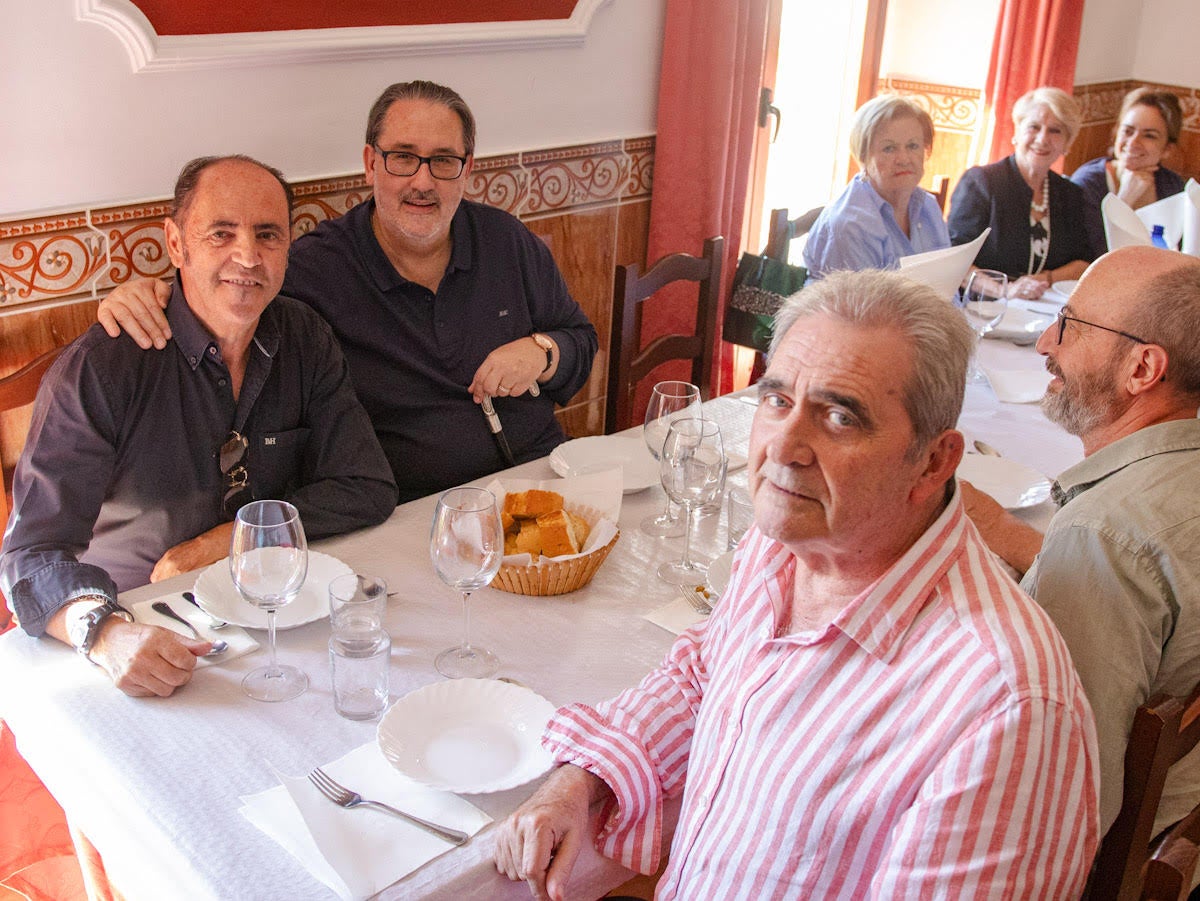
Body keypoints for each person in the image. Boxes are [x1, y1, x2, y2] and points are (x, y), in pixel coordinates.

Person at [494, 270, 1099, 899]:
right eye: (778, 400)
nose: (783, 448)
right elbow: (706, 674)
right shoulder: (787, 542)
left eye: (840, 417)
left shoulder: (1005, 707)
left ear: (934, 461)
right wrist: (583, 779)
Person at [0, 155, 398, 697]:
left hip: (271, 614)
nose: (248, 257)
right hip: (136, 625)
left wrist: (231, 541)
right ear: (175, 243)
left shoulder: (305, 337)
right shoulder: (105, 366)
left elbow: (366, 486)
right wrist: (106, 633)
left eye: (267, 235)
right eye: (221, 233)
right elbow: (30, 555)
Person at [96, 81, 598, 502]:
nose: (423, 181)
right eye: (403, 158)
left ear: (467, 169)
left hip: (536, 479)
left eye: (444, 161)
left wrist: (544, 352)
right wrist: (151, 294)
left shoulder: (507, 241)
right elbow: (231, 292)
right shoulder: (317, 267)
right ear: (370, 163)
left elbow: (579, 339)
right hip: (405, 511)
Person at [961, 245, 1200, 841]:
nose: (1046, 344)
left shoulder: (1105, 534)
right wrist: (1006, 536)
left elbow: (1060, 792)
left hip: (1133, 845)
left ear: (1142, 369)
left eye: (1070, 324)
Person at [949, 87, 1094, 300]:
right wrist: (1006, 291)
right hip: (984, 304)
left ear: (1067, 142)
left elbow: (1084, 262)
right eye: (1034, 127)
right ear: (1017, 133)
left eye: (1055, 131)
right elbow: (955, 260)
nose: (1042, 139)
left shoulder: (1070, 193)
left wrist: (1044, 279)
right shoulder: (981, 183)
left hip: (1045, 304)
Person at [803, 95, 950, 280]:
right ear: (863, 157)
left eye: (913, 146)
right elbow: (858, 299)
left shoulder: (928, 205)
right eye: (889, 148)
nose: (904, 159)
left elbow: (947, 282)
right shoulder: (849, 226)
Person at [1071, 88, 1187, 257]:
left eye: (1149, 136)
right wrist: (1123, 201)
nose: (1133, 142)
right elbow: (1093, 257)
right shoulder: (1088, 183)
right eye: (1128, 131)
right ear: (1116, 133)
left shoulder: (1172, 185)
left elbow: (1182, 252)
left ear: (1167, 149)